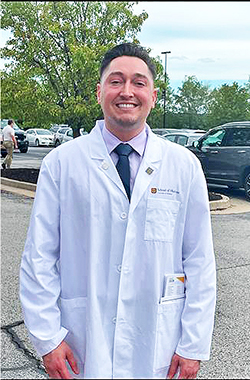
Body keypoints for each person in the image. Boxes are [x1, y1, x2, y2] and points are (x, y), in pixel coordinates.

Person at [19, 43, 216, 379]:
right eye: (116, 81)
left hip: (159, 343)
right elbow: (39, 257)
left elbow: (199, 259)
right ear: (99, 92)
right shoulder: (62, 164)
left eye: (139, 83)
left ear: (153, 96)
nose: (127, 91)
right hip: (83, 341)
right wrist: (48, 339)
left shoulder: (184, 166)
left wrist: (193, 343)